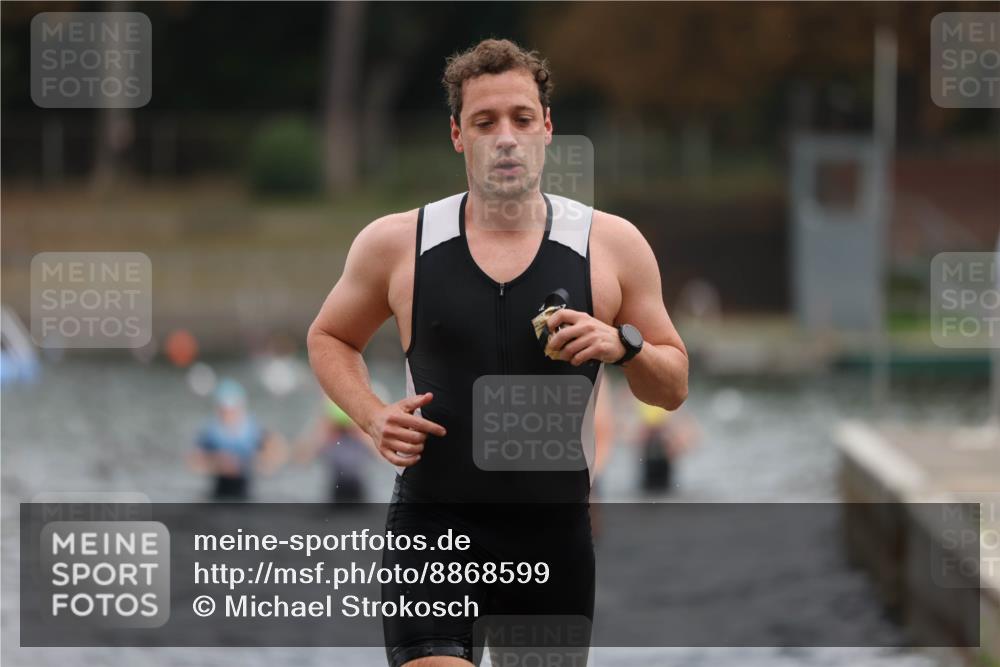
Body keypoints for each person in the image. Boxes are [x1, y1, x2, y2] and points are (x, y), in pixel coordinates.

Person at [307, 38, 688, 667]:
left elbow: (671, 386)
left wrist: (622, 346)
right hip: (433, 526)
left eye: (520, 119)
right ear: (458, 135)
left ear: (547, 130)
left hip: (550, 538)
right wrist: (372, 415)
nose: (504, 137)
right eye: (485, 122)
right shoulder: (398, 243)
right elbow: (329, 337)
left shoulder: (611, 245)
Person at [186, 379, 287, 500]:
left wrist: (258, 464)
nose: (228, 414)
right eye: (224, 410)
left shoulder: (252, 429)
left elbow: (279, 451)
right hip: (220, 485)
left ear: (240, 408)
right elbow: (194, 461)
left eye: (232, 410)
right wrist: (217, 463)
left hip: (245, 485)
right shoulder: (211, 431)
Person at [295, 398, 372, 503]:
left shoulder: (360, 436)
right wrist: (322, 433)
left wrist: (360, 431)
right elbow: (302, 459)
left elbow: (381, 456)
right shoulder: (327, 437)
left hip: (357, 488)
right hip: (336, 488)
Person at [635, 401, 700, 494]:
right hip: (649, 454)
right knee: (648, 491)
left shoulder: (673, 403)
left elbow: (691, 437)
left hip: (664, 453)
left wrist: (678, 443)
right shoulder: (642, 401)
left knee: (664, 491)